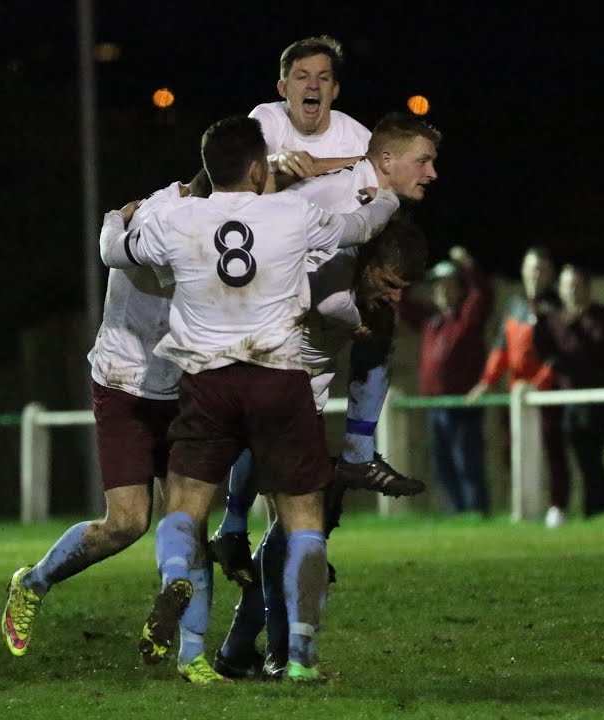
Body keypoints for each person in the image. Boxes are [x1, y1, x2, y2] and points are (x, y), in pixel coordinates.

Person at [99, 115, 401, 683]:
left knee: (185, 507)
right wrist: (386, 199)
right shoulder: (292, 213)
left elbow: (116, 252)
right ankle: (304, 659)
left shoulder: (178, 218)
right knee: (303, 519)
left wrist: (114, 219)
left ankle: (180, 603)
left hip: (208, 384)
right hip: (278, 379)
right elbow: (359, 227)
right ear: (259, 167)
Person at [212, 113, 442, 681]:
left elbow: (371, 342)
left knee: (303, 530)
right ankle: (275, 641)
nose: (434, 173)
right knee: (295, 528)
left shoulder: (373, 259)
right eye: (424, 160)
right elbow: (305, 277)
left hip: (300, 397)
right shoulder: (336, 223)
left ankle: (244, 646)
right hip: (262, 377)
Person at [207, 34, 424, 592]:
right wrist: (280, 167)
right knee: (266, 429)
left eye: (323, 77)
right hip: (269, 291)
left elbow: (380, 200)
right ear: (283, 88)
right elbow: (234, 181)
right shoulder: (263, 124)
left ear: (335, 89)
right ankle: (246, 532)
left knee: (295, 424)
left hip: (327, 290)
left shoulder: (358, 136)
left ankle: (336, 481)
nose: (313, 85)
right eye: (302, 76)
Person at [0, 171, 212, 672]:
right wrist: (114, 218)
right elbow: (114, 249)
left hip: (183, 390)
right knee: (127, 523)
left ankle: (192, 658)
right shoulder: (159, 218)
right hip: (124, 385)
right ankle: (32, 582)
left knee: (189, 524)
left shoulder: (222, 221)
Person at [466, 246, 569, 528]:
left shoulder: (558, 306)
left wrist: (539, 386)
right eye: (532, 268)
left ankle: (558, 506)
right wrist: (486, 382)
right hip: (515, 394)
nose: (537, 275)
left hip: (546, 395)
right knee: (511, 450)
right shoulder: (514, 304)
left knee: (553, 450)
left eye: (543, 270)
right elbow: (501, 347)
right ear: (523, 271)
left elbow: (558, 354)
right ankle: (523, 504)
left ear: (551, 275)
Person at [398, 245, 495, 515]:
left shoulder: (467, 318)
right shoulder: (432, 322)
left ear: (460, 289)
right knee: (444, 465)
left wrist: (468, 266)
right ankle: (458, 513)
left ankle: (476, 512)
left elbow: (483, 294)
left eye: (448, 285)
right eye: (438, 287)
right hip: (436, 405)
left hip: (463, 403)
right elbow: (402, 305)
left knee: (467, 460)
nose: (442, 291)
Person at [538, 265, 604, 517]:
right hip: (570, 397)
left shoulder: (603, 317)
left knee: (590, 452)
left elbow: (593, 353)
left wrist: (574, 329)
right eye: (567, 286)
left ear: (587, 288)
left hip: (598, 397)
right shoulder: (554, 321)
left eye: (576, 286)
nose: (572, 292)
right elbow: (545, 351)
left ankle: (596, 506)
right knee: (585, 454)